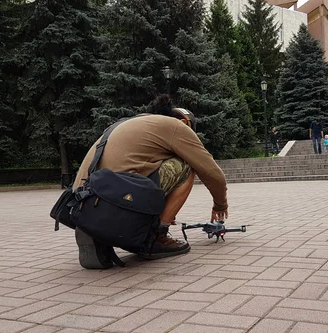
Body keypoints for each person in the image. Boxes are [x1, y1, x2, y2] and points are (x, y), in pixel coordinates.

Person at [72, 94, 228, 266]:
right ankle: (156, 238)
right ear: (184, 122)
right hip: (115, 197)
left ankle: (99, 232)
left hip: (83, 199)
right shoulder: (176, 125)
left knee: (155, 167)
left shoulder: (127, 123)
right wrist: (220, 204)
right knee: (188, 166)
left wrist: (163, 208)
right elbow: (211, 172)